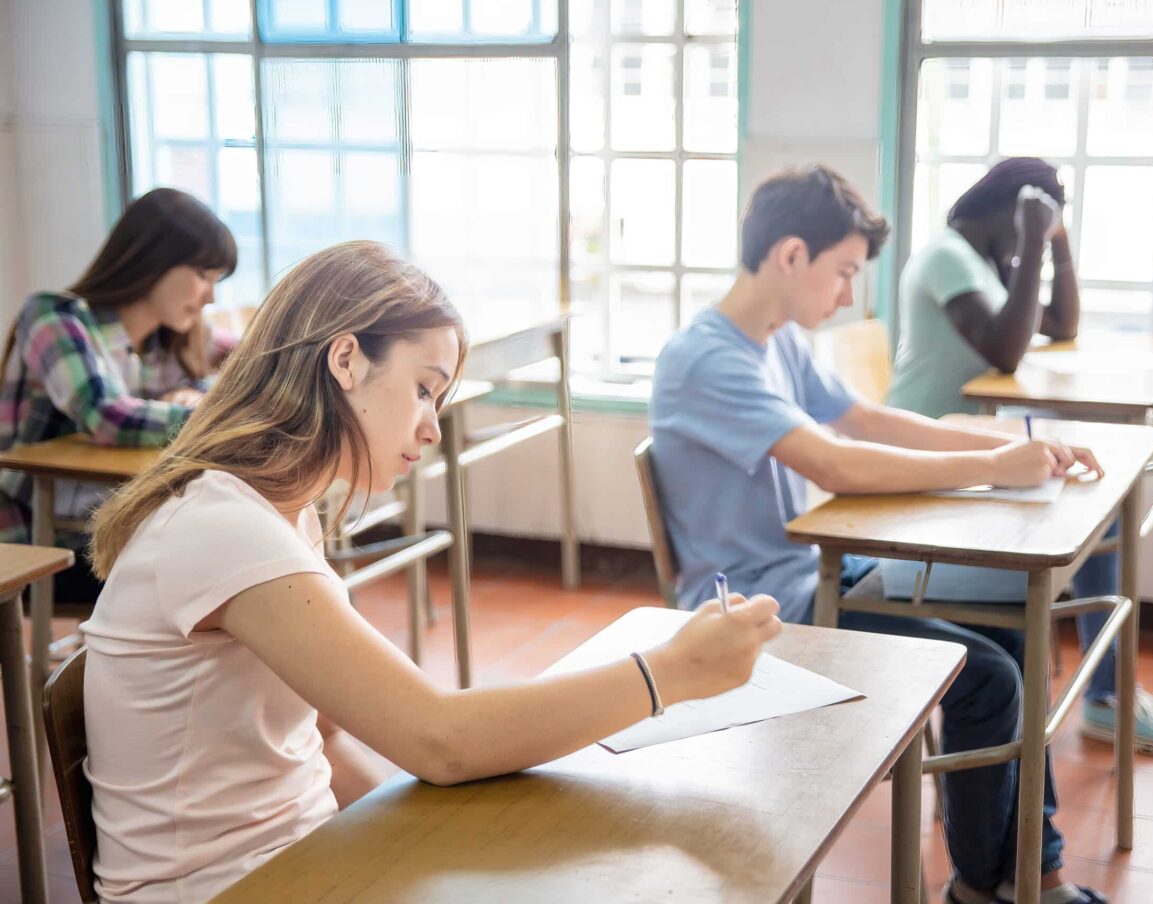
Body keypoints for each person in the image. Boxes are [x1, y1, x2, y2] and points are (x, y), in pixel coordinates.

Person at [81, 240, 781, 902]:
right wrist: (669, 674)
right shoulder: (225, 528)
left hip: (293, 863)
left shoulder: (278, 510)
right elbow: (441, 738)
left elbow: (324, 739)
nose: (432, 427)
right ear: (346, 359)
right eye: (424, 389)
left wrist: (414, 843)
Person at [650, 165, 1108, 904]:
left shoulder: (777, 340)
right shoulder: (707, 358)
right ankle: (995, 884)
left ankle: (1025, 874)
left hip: (816, 572)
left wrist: (1017, 457)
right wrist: (995, 463)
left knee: (1015, 628)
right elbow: (833, 460)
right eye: (844, 273)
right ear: (791, 255)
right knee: (987, 676)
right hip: (756, 608)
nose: (848, 297)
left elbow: (863, 419)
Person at [887, 158, 1153, 759]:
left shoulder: (984, 262)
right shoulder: (946, 256)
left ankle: (1108, 695)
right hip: (929, 459)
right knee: (1094, 515)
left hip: (975, 452)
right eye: (1034, 221)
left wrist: (1055, 244)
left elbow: (1060, 324)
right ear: (1010, 208)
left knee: (1097, 506)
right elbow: (1007, 354)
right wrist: (1033, 237)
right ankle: (1108, 696)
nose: (1030, 239)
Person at [0, 187, 240, 603]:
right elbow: (107, 415)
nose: (211, 297)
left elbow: (253, 355)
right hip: (43, 542)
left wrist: (193, 393)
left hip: (116, 526)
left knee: (230, 555)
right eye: (203, 275)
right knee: (220, 568)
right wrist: (218, 416)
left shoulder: (167, 341)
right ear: (153, 261)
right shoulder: (53, 317)